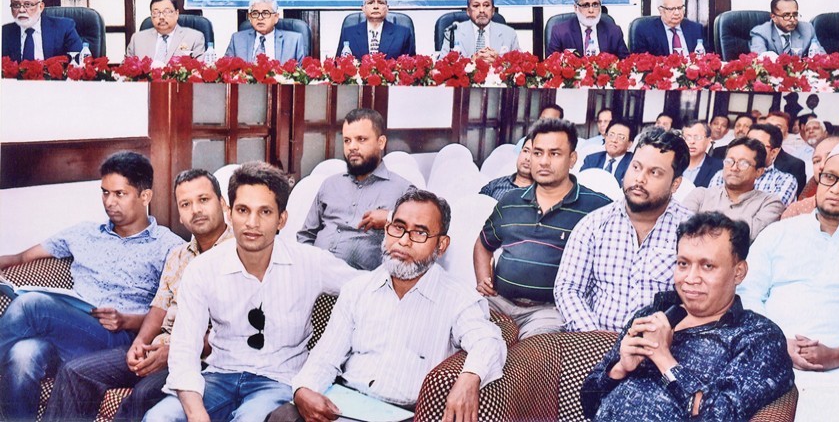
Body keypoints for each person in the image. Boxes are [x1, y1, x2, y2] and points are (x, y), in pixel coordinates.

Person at [144, 162, 360, 422]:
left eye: (265, 212)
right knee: (159, 418)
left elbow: (367, 287)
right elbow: (184, 352)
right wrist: (196, 413)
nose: (251, 223)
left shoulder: (310, 262)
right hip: (218, 376)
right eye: (243, 210)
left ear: (281, 219)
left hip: (278, 381)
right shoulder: (202, 268)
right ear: (229, 213)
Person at [268, 189, 507, 422]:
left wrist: (470, 377)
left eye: (420, 233)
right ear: (386, 230)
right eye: (398, 228)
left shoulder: (458, 298)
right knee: (282, 417)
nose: (403, 241)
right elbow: (325, 357)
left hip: (406, 412)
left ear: (441, 245)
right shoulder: (357, 289)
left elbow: (488, 341)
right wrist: (304, 389)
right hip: (345, 403)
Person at [0, 152, 184, 420]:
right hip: (66, 330)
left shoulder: (170, 247)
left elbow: (174, 314)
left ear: (145, 196)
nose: (109, 202)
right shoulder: (84, 233)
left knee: (32, 304)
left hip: (116, 338)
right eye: (105, 192)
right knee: (22, 355)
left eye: (120, 194)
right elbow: (20, 258)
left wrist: (127, 320)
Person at [43, 169, 233, 422]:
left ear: (222, 204)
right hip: (160, 347)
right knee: (75, 371)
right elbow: (159, 308)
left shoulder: (239, 254)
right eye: (186, 204)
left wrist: (173, 352)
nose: (196, 210)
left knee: (143, 394)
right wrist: (139, 343)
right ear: (180, 214)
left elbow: (232, 330)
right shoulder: (178, 255)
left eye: (203, 200)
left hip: (202, 358)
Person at [739, 139, 839, 422]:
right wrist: (778, 342)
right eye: (829, 177)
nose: (836, 188)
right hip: (766, 358)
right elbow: (747, 294)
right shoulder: (779, 233)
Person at [580, 213, 794, 422]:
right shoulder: (651, 315)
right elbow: (589, 405)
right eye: (683, 264)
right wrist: (620, 368)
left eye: (707, 266)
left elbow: (720, 415)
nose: (690, 278)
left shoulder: (757, 336)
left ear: (738, 272)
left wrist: (664, 360)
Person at [475, 119, 611, 338]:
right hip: (499, 303)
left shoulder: (597, 207)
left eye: (554, 154)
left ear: (572, 159)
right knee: (466, 335)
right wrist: (483, 279)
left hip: (550, 311)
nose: (544, 161)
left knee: (534, 354)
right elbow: (483, 244)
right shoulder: (510, 201)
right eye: (537, 153)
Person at [555, 128, 693, 332]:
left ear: (675, 184)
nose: (640, 179)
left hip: (661, 343)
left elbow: (698, 302)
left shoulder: (692, 231)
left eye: (654, 173)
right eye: (636, 167)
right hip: (595, 337)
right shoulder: (594, 224)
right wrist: (596, 337)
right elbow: (568, 288)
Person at [298, 108, 412, 270]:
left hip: (365, 282)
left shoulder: (403, 190)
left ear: (381, 142)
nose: (352, 147)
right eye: (347, 140)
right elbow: (306, 236)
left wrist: (390, 218)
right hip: (315, 275)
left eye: (361, 139)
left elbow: (420, 236)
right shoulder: (330, 184)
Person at [682, 138, 785, 239]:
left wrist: (703, 226)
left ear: (759, 172)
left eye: (743, 163)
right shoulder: (700, 195)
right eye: (729, 161)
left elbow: (748, 237)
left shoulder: (769, 203)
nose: (734, 168)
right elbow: (683, 229)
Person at [708, 123, 798, 206]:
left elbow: (772, 210)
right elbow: (710, 205)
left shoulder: (784, 180)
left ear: (773, 152)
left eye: (758, 145)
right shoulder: (725, 173)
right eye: (747, 143)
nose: (748, 148)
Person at [546, 0, 629, 58]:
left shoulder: (614, 32)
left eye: (595, 5)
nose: (591, 10)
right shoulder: (560, 32)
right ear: (576, 8)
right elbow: (551, 64)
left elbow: (626, 63)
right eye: (586, 5)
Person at [2, 0, 83, 61]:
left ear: (41, 7)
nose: (21, 10)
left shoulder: (64, 27)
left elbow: (79, 61)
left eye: (28, 4)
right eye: (16, 5)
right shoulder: (4, 32)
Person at [439, 0, 519, 62]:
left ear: (493, 10)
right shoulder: (453, 33)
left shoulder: (509, 34)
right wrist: (471, 61)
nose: (482, 10)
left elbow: (519, 65)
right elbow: (441, 66)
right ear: (468, 11)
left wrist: (499, 61)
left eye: (486, 5)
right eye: (476, 6)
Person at [224, 0, 307, 63]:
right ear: (250, 17)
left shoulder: (294, 41)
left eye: (265, 13)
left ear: (276, 17)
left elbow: (302, 74)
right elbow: (225, 71)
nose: (260, 18)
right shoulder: (237, 40)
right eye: (255, 13)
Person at [125, 0, 205, 64]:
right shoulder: (137, 39)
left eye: (167, 11)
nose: (161, 17)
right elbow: (125, 69)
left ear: (176, 14)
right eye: (156, 13)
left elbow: (200, 69)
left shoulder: (194, 38)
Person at [335, 0, 415, 58]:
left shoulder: (402, 34)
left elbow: (411, 67)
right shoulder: (349, 33)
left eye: (380, 3)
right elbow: (338, 64)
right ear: (363, 8)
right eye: (370, 3)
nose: (376, 6)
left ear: (387, 8)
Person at [630, 0, 704, 56]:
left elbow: (705, 58)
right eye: (671, 9)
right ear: (660, 10)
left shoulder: (696, 29)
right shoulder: (645, 31)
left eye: (680, 8)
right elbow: (642, 61)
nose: (677, 13)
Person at [749, 0, 817, 56]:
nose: (792, 19)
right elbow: (759, 61)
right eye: (786, 15)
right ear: (773, 17)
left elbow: (820, 57)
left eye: (795, 14)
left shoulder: (808, 29)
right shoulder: (761, 33)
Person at [580, 120, 634, 186]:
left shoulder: (633, 163)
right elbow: (581, 183)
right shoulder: (591, 160)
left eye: (621, 137)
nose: (614, 140)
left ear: (629, 144)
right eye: (611, 135)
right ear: (605, 137)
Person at [764, 112, 807, 191]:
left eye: (778, 127)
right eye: (767, 126)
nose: (771, 130)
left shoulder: (795, 165)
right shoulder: (749, 155)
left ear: (786, 132)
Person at [680, 120, 723, 188]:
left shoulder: (719, 167)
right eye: (688, 137)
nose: (692, 141)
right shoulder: (673, 163)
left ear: (708, 141)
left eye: (697, 137)